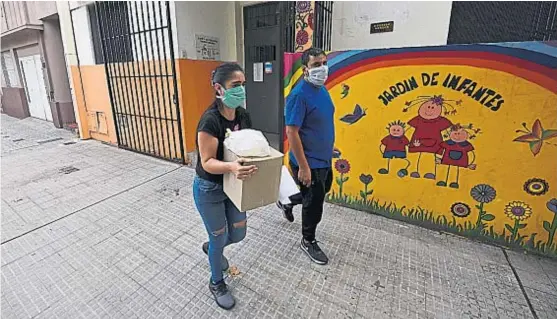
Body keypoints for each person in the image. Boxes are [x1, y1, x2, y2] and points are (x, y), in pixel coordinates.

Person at [193, 63, 257, 309]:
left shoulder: (243, 115)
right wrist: (231, 167)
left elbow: (248, 145)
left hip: (234, 186)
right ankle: (216, 281)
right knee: (219, 237)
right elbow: (207, 162)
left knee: (239, 233)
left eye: (243, 84)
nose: (241, 90)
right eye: (235, 85)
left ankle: (212, 248)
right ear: (219, 89)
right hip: (209, 188)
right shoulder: (210, 121)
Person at [277, 47, 335, 265]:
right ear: (305, 70)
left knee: (315, 193)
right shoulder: (299, 95)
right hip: (309, 162)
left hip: (323, 158)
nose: (321, 68)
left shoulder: (322, 90)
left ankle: (287, 201)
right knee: (314, 203)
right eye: (315, 65)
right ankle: (308, 240)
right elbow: (291, 132)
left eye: (323, 63)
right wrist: (303, 167)